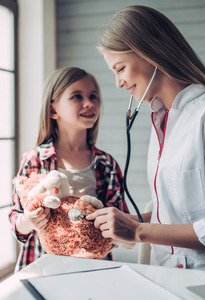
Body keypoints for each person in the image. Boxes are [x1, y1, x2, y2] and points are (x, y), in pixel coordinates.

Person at [87, 5, 205, 274]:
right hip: (165, 277)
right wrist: (130, 222)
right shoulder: (163, 118)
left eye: (120, 68)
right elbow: (178, 213)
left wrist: (138, 231)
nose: (118, 83)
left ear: (149, 52)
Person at [8, 67, 129, 272]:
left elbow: (120, 223)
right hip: (41, 269)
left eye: (93, 96)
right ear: (53, 110)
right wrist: (29, 221)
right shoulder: (34, 160)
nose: (89, 103)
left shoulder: (107, 164)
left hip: (93, 270)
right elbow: (16, 223)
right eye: (77, 96)